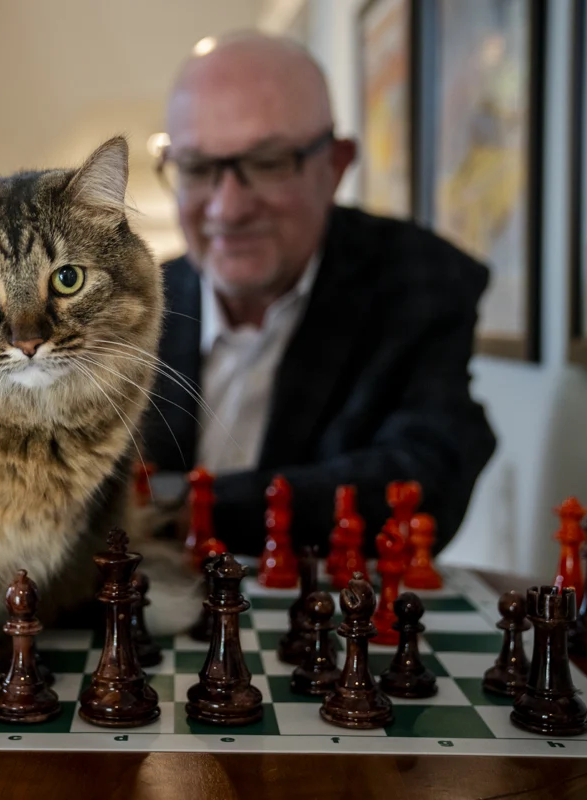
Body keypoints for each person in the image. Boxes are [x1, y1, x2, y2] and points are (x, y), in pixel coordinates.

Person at [141, 32, 497, 557]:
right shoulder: (135, 301)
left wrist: (164, 505)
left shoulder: (420, 281)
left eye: (268, 162)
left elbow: (420, 483)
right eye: (196, 168)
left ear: (335, 166)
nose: (228, 207)